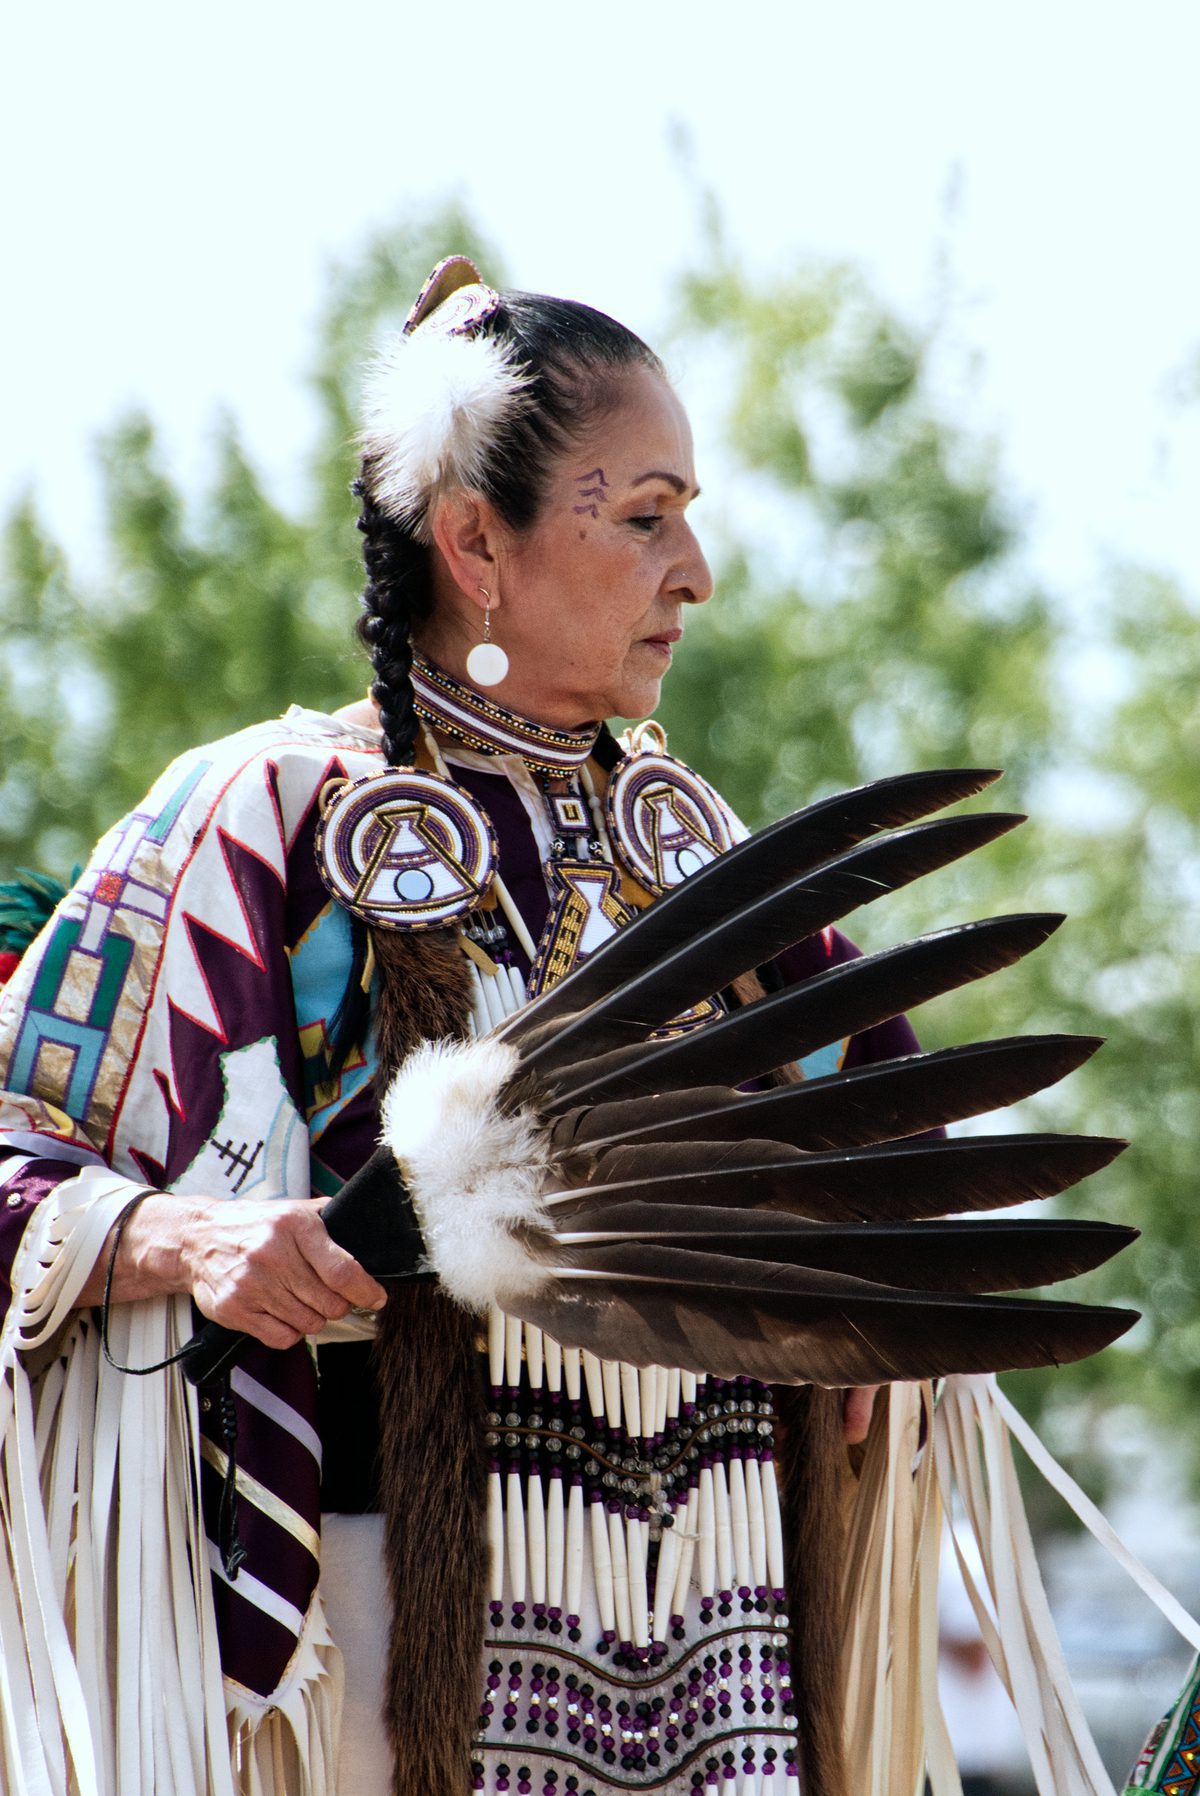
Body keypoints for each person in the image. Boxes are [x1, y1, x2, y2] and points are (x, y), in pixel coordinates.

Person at [0, 257, 1136, 1796]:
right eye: (647, 514)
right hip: (385, 1623)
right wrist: (186, 1244)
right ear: (477, 540)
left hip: (725, 1617)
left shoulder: (701, 859)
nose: (699, 570)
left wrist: (878, 1297)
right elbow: (21, 1153)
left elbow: (901, 1153)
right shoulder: (265, 816)